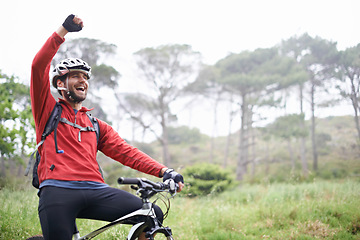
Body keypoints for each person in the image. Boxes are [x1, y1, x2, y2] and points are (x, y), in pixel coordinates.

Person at [30, 14, 184, 240]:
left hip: (95, 189)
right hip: (57, 190)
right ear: (60, 84)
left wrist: (165, 171)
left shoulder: (95, 126)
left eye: (85, 77)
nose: (82, 81)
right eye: (75, 76)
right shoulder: (48, 111)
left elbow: (127, 153)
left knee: (152, 214)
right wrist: (63, 30)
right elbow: (38, 65)